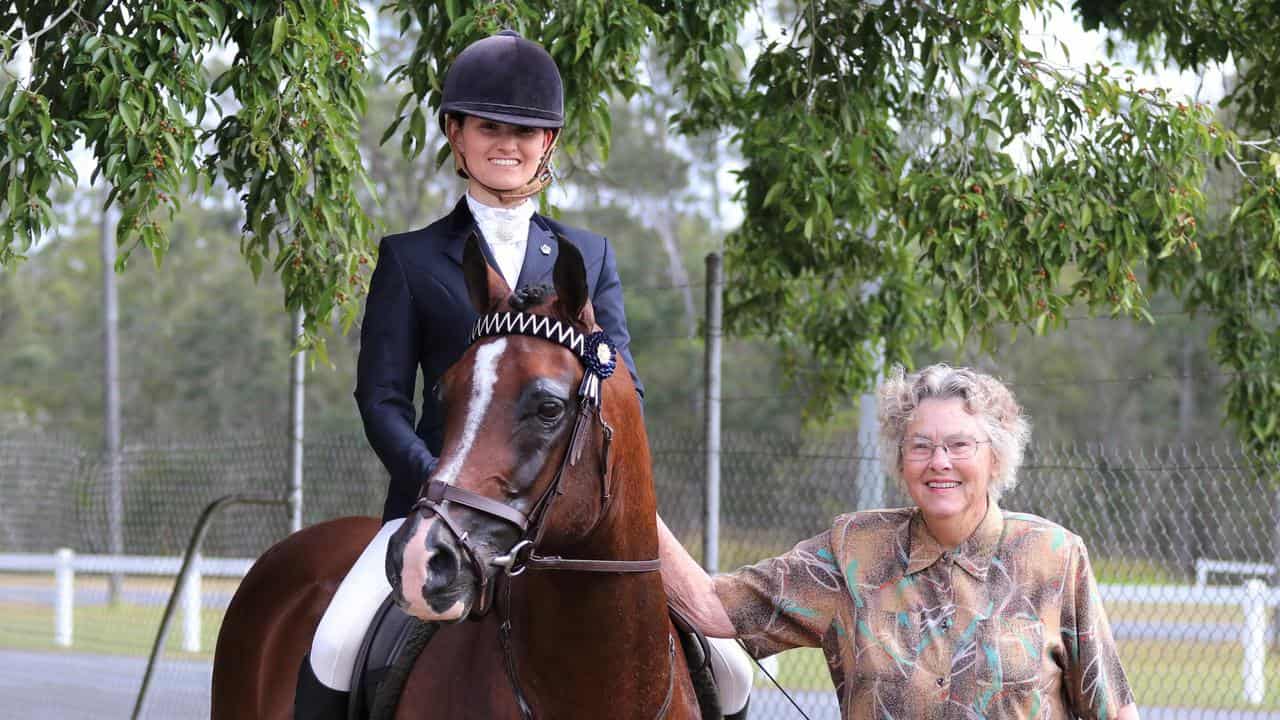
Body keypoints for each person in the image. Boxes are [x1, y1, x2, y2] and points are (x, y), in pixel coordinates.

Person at [294, 30, 752, 719]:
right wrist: (438, 483)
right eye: (488, 127)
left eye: (526, 130)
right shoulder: (411, 260)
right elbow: (382, 398)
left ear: (550, 143)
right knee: (336, 643)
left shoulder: (587, 256)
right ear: (455, 132)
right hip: (444, 504)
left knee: (731, 663)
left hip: (574, 497)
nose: (506, 143)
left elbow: (622, 381)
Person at [659, 363, 1140, 719]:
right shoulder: (853, 552)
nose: (939, 461)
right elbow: (710, 607)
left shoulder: (1054, 557)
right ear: (899, 458)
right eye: (921, 446)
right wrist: (621, 493)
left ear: (997, 458)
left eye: (959, 445)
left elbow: (1114, 711)